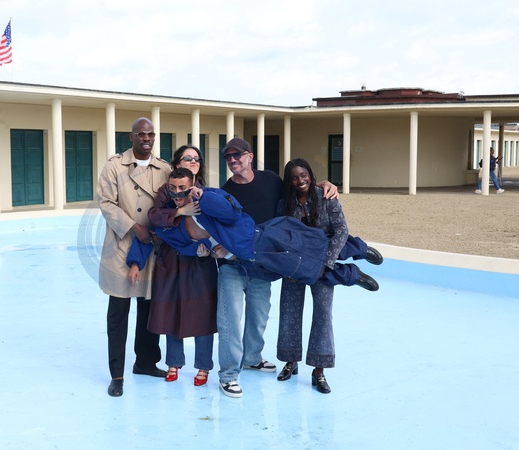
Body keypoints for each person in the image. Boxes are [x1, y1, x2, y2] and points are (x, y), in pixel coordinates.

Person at [215, 137, 339, 398]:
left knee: (259, 316)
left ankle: (252, 357)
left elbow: (299, 186)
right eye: (228, 156)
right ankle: (228, 375)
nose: (233, 160)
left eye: (238, 155)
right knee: (230, 321)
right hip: (233, 265)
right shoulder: (225, 192)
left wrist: (324, 184)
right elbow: (217, 225)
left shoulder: (271, 180)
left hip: (264, 263)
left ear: (250, 156)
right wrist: (221, 247)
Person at [142, 168, 379, 289]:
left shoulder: (209, 194)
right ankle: (352, 276)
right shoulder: (168, 224)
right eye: (173, 189)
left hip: (258, 238)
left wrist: (202, 197)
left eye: (182, 187)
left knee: (311, 242)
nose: (177, 193)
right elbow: (179, 245)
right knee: (304, 272)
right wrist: (200, 251)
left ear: (193, 184)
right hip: (247, 260)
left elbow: (231, 213)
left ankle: (359, 250)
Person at [276, 158, 382, 394]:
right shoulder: (285, 203)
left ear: (310, 175)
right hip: (295, 265)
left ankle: (319, 371)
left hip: (323, 262)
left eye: (303, 175)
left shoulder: (326, 197)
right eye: (294, 178)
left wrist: (328, 262)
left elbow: (341, 230)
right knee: (289, 311)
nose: (300, 181)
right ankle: (290, 361)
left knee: (323, 314)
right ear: (289, 181)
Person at [96, 117, 171, 397]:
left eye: (150, 134)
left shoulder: (164, 169)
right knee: (118, 312)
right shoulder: (114, 166)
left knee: (149, 309)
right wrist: (133, 227)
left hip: (152, 247)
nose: (146, 138)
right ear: (131, 137)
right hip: (121, 245)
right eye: (141, 134)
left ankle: (146, 362)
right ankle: (117, 375)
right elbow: (106, 203)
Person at [146, 145, 217, 387]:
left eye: (196, 158)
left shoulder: (207, 192)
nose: (193, 161)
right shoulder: (166, 190)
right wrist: (180, 211)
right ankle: (173, 362)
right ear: (177, 163)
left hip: (201, 260)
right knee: (171, 310)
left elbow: (219, 224)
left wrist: (211, 246)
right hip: (172, 258)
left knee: (203, 313)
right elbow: (154, 216)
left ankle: (204, 365)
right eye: (187, 158)